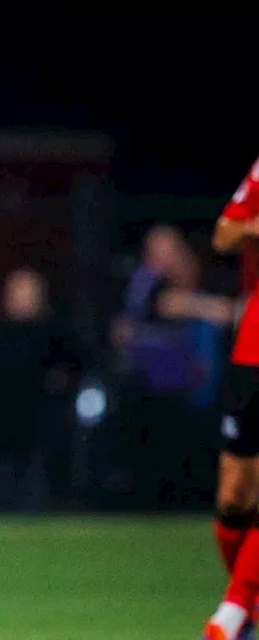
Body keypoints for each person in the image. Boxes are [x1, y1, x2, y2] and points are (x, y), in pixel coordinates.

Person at [202, 157, 259, 640]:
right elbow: (223, 234)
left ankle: (236, 607)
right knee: (234, 494)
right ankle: (245, 605)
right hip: (253, 345)